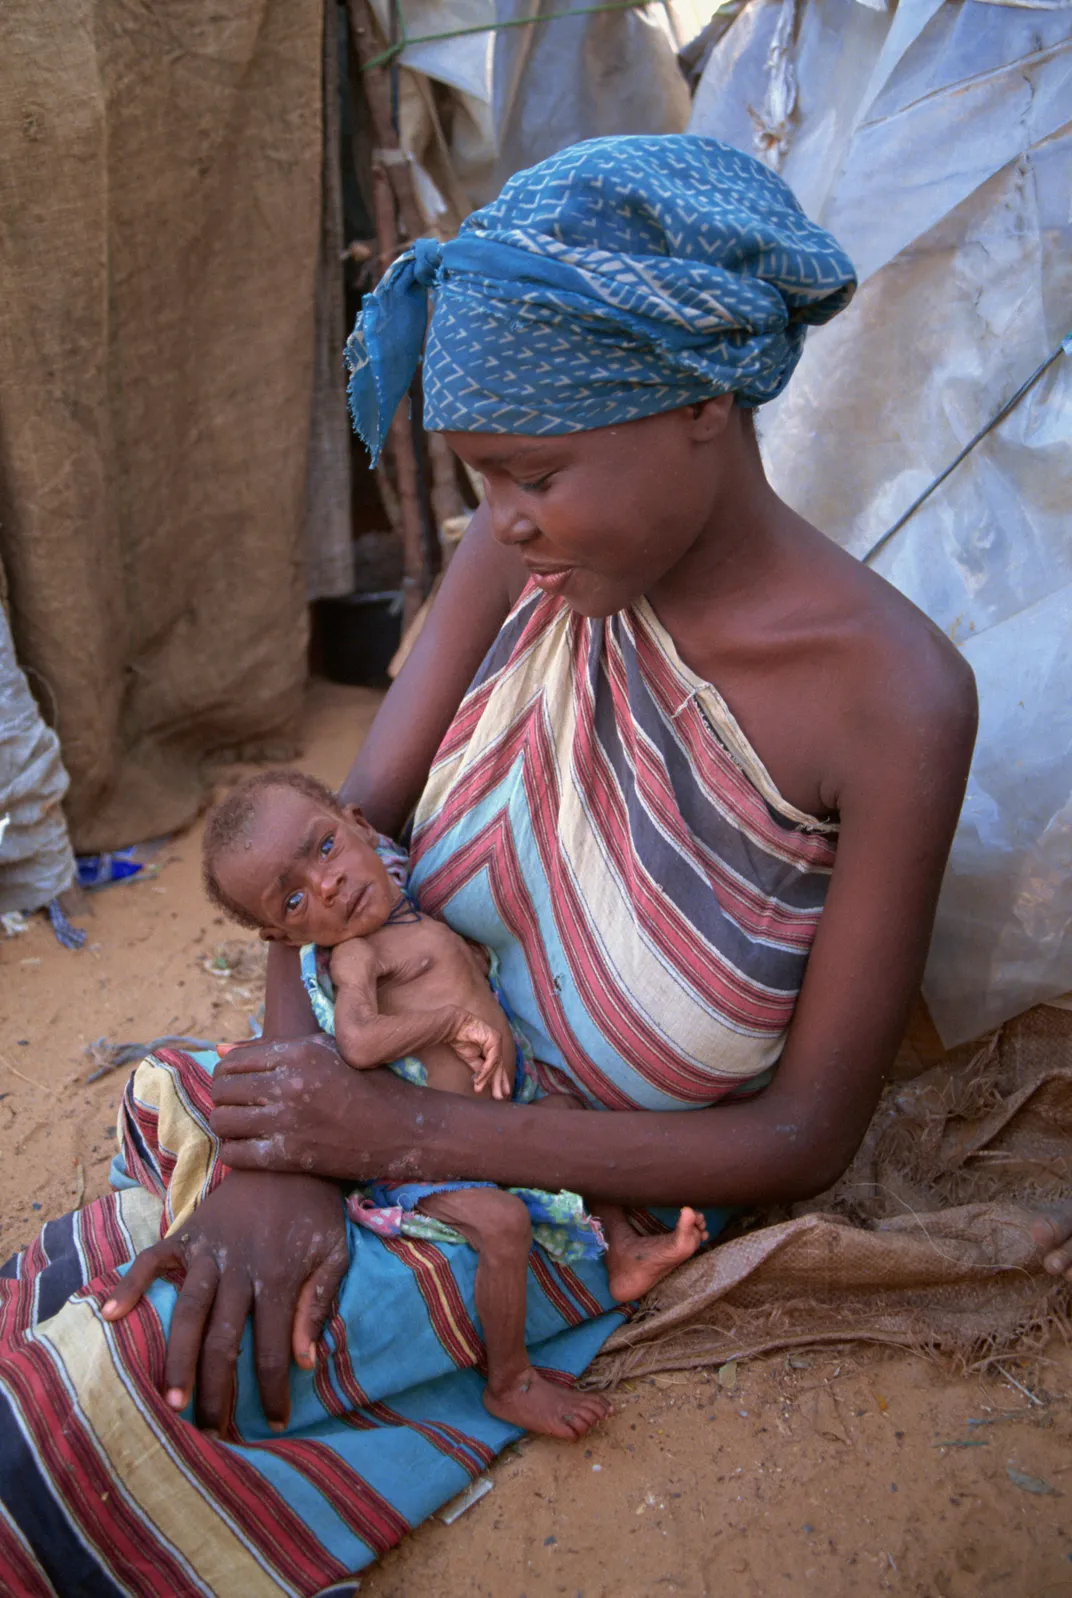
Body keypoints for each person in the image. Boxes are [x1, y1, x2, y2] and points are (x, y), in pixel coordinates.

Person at [0, 134, 980, 1595]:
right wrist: (288, 1150)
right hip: (367, 1113)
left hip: (533, 1202)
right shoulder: (519, 565)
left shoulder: (892, 700)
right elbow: (329, 849)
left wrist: (383, 1142)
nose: (499, 517)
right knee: (85, 1288)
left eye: (534, 472)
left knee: (88, 1421)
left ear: (701, 400)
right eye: (479, 478)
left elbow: (799, 1142)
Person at [200, 767, 709, 1436]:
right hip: (421, 1165)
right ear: (283, 939)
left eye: (324, 847)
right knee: (501, 1225)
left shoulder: (416, 895)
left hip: (502, 1115)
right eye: (291, 902)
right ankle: (510, 1381)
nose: (324, 885)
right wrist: (447, 1024)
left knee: (570, 1120)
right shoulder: (356, 956)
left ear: (357, 824)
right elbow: (357, 1040)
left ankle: (620, 1249)